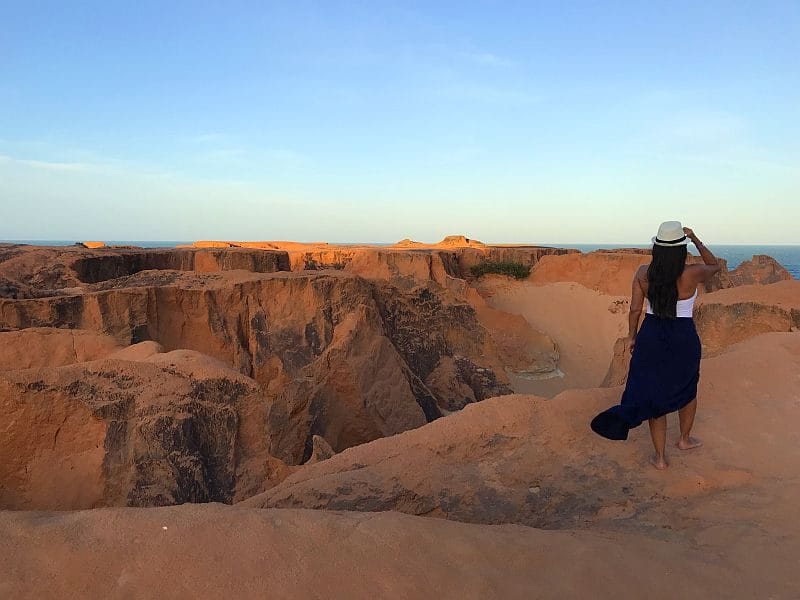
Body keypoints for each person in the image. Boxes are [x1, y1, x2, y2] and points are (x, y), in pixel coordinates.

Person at [590, 221, 720, 469]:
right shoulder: (691, 273)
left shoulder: (643, 273)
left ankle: (660, 458)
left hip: (652, 335)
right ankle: (684, 440)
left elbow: (635, 309)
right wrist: (694, 238)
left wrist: (631, 336)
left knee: (654, 396)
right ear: (680, 249)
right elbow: (714, 265)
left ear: (657, 248)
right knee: (688, 386)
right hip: (683, 337)